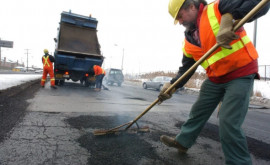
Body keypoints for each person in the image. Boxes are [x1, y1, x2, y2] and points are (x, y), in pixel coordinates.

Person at [159, 0, 270, 165]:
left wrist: (230, 18)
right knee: (198, 111)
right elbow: (186, 70)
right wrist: (172, 85)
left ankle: (238, 162)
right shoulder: (189, 40)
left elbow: (261, 4)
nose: (180, 22)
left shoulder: (218, 8)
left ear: (191, 6)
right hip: (216, 79)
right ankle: (183, 142)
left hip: (240, 73)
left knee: (228, 122)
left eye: (180, 16)